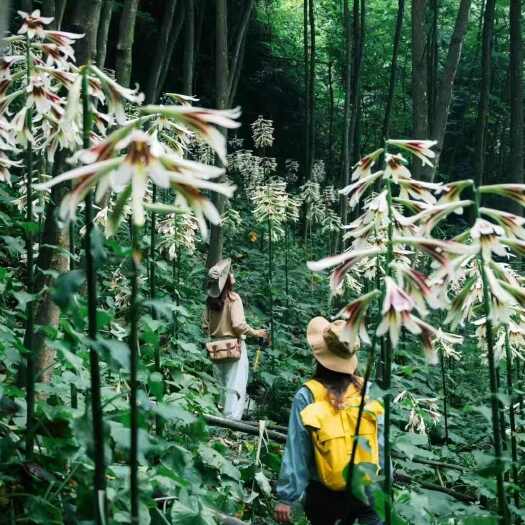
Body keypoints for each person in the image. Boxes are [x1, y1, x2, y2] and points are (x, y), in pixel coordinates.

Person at [274, 316, 384, 525]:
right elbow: (380, 441)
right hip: (368, 486)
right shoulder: (367, 389)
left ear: (319, 355)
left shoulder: (306, 395)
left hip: (325, 491)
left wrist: (286, 498)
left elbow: (298, 451)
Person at [205, 258, 267, 421]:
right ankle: (232, 425)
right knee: (235, 386)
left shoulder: (210, 301)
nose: (232, 275)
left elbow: (205, 325)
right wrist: (256, 333)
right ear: (226, 281)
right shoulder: (233, 298)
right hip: (234, 347)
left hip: (216, 348)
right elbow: (238, 324)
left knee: (221, 386)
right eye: (229, 273)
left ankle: (218, 421)